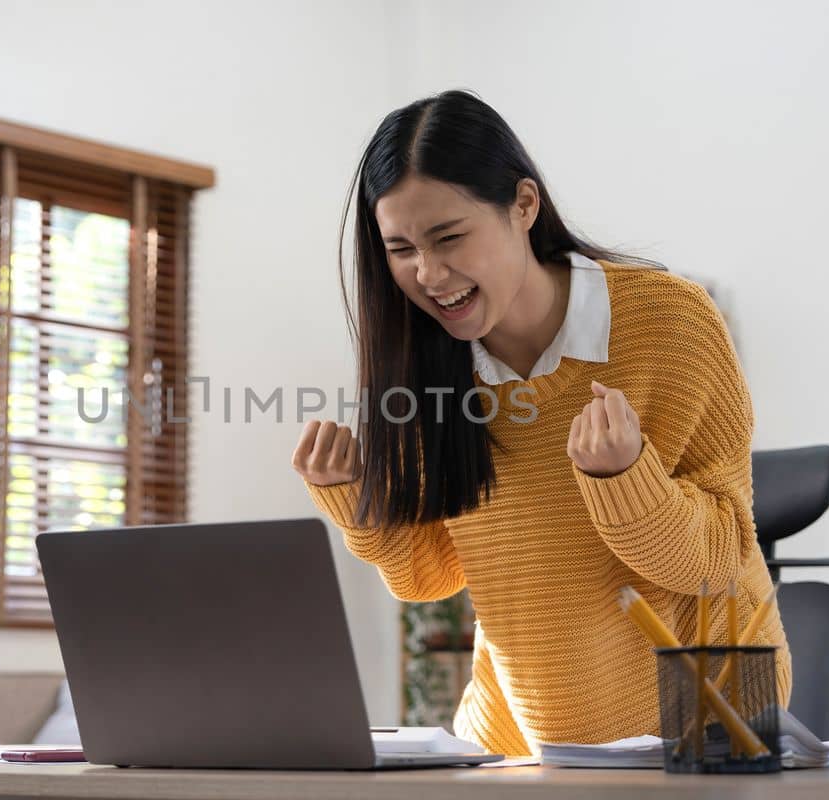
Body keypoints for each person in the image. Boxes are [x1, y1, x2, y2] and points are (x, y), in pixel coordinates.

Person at [291, 90, 792, 757]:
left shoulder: (671, 324)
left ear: (523, 205)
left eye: (449, 238)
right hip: (526, 730)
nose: (429, 274)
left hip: (705, 715)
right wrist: (360, 501)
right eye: (401, 248)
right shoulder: (423, 367)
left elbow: (716, 562)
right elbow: (428, 576)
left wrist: (624, 482)